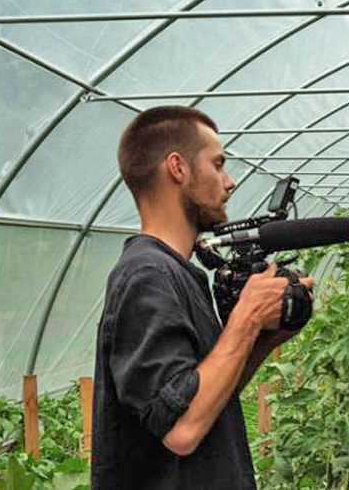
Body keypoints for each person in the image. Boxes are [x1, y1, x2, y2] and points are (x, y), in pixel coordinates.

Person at [91, 106, 313, 489]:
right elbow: (181, 428)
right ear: (178, 168)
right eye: (218, 164)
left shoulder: (178, 272)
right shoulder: (147, 275)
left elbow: (201, 399)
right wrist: (245, 319)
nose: (230, 182)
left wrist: (263, 339)